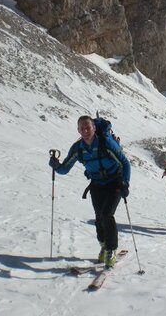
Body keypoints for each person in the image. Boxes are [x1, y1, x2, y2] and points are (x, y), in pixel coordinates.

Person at [49, 115, 131, 268]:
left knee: (107, 215)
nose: (85, 131)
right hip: (97, 184)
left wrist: (125, 183)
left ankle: (111, 250)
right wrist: (56, 165)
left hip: (115, 182)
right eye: (82, 128)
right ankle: (103, 246)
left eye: (88, 127)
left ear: (94, 128)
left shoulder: (106, 143)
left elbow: (125, 163)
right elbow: (65, 169)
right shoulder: (78, 148)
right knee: (99, 218)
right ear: (78, 130)